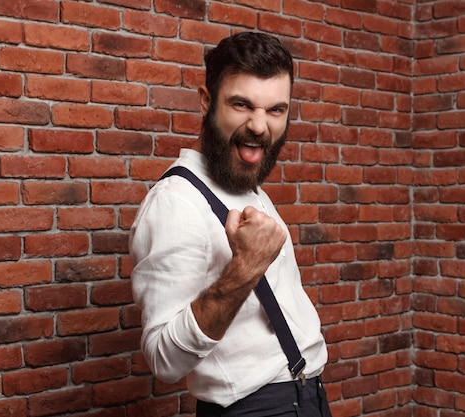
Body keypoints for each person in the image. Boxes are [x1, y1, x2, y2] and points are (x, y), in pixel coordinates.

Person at [129, 32, 331, 417]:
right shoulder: (176, 202)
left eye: (276, 110)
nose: (259, 126)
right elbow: (164, 361)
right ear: (206, 101)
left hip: (306, 399)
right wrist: (245, 268)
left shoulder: (243, 184)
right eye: (242, 104)